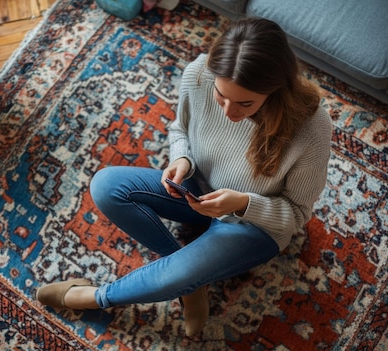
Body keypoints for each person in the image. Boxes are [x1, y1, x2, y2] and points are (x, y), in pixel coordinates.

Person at [35, 17, 332, 337]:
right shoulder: (199, 73)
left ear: (275, 90)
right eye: (222, 97)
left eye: (245, 104)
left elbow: (297, 215)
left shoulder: (311, 128)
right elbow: (179, 129)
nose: (229, 113)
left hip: (251, 225)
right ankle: (191, 285)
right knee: (106, 185)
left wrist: (244, 204)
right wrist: (181, 159)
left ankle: (92, 297)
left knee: (179, 272)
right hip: (196, 191)